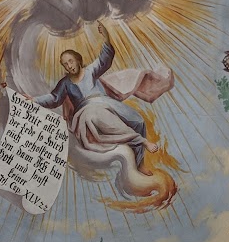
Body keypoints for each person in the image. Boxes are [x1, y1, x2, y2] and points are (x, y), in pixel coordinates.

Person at [32, 22, 171, 173]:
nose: (69, 66)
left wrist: (106, 37)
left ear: (78, 59)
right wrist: (34, 100)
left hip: (106, 103)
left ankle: (139, 164)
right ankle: (142, 141)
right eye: (65, 64)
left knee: (138, 121)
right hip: (87, 110)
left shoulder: (90, 71)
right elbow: (54, 98)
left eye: (70, 61)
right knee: (108, 121)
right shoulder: (65, 83)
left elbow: (104, 60)